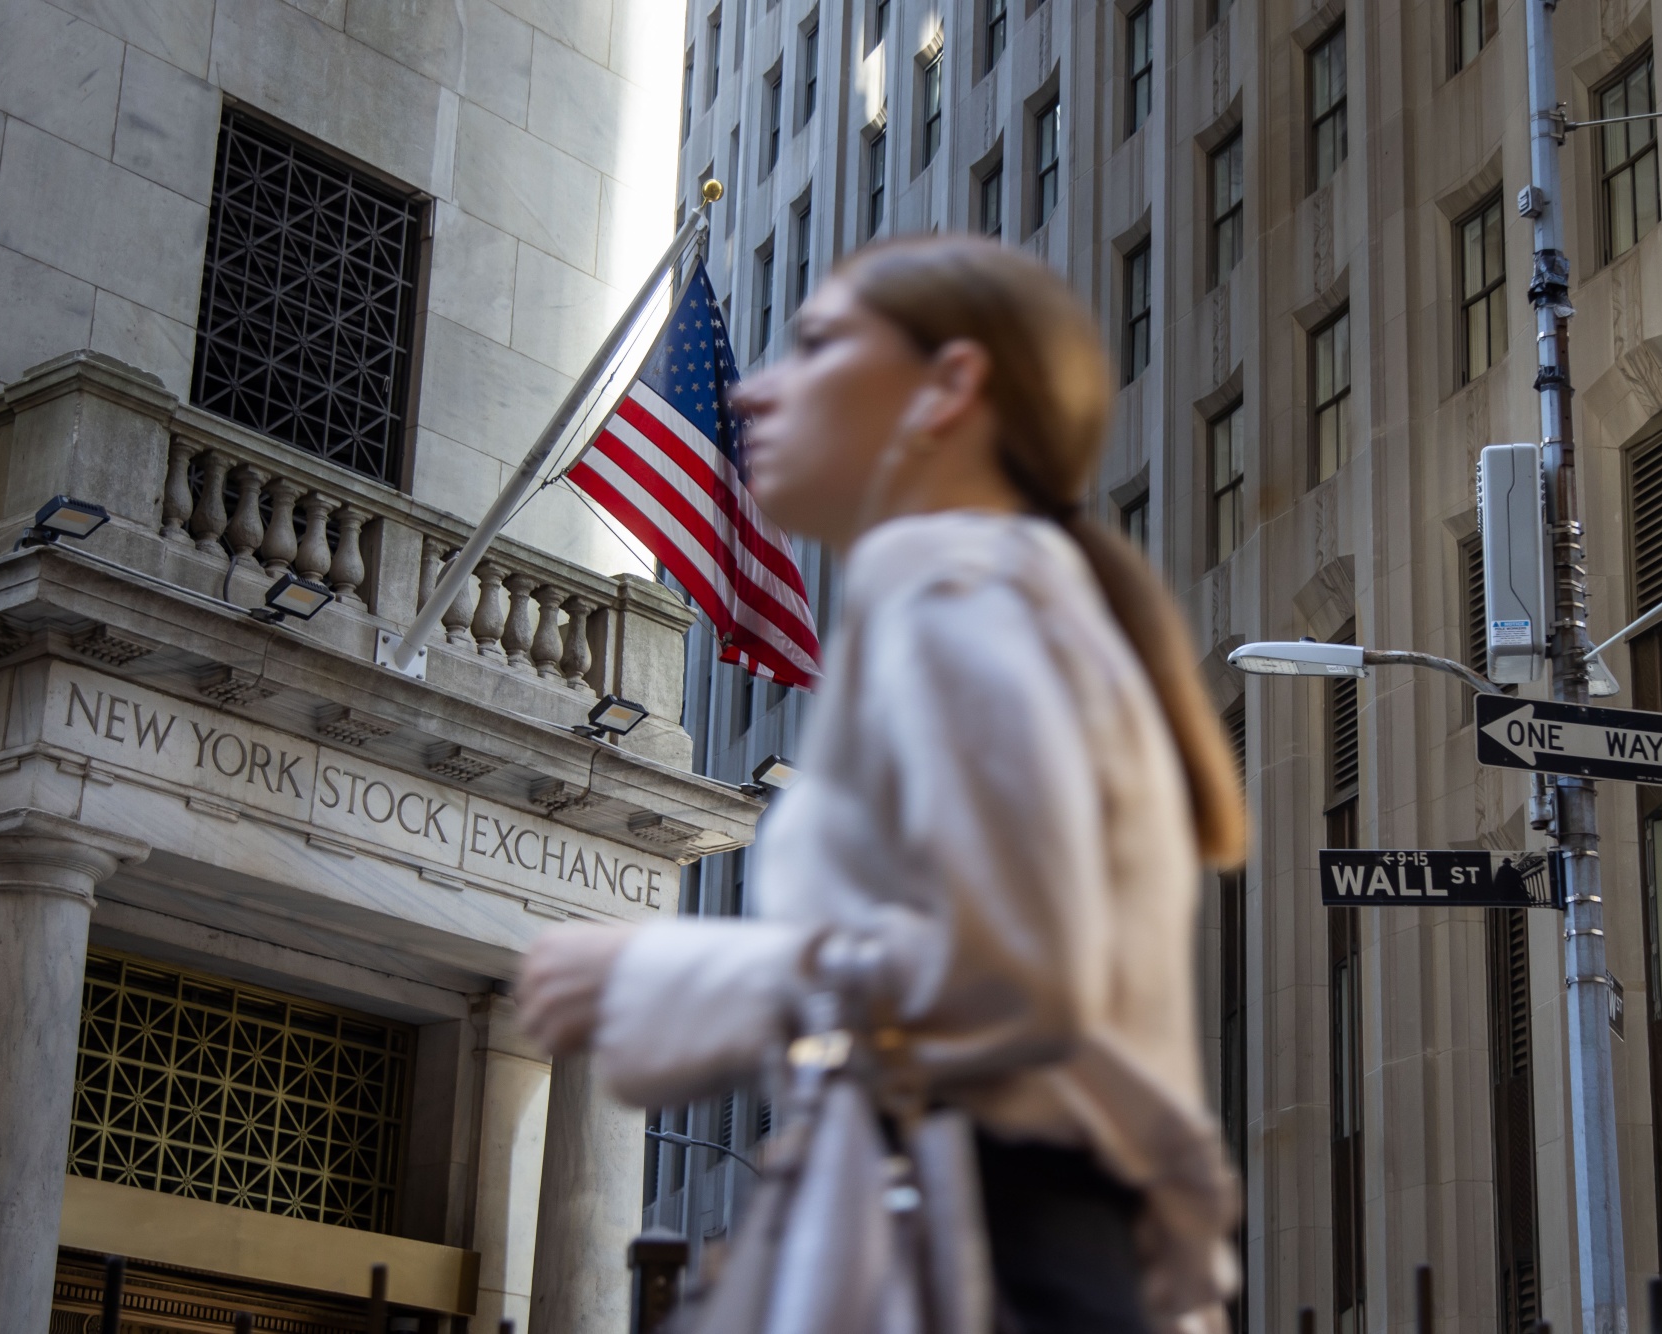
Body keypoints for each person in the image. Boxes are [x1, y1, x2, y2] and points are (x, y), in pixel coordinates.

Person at [519, 236, 1247, 1334]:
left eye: (816, 344)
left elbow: (1012, 972)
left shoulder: (957, 589)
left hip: (1000, 1257)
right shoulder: (992, 593)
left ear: (948, 387)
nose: (759, 387)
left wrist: (677, 974)